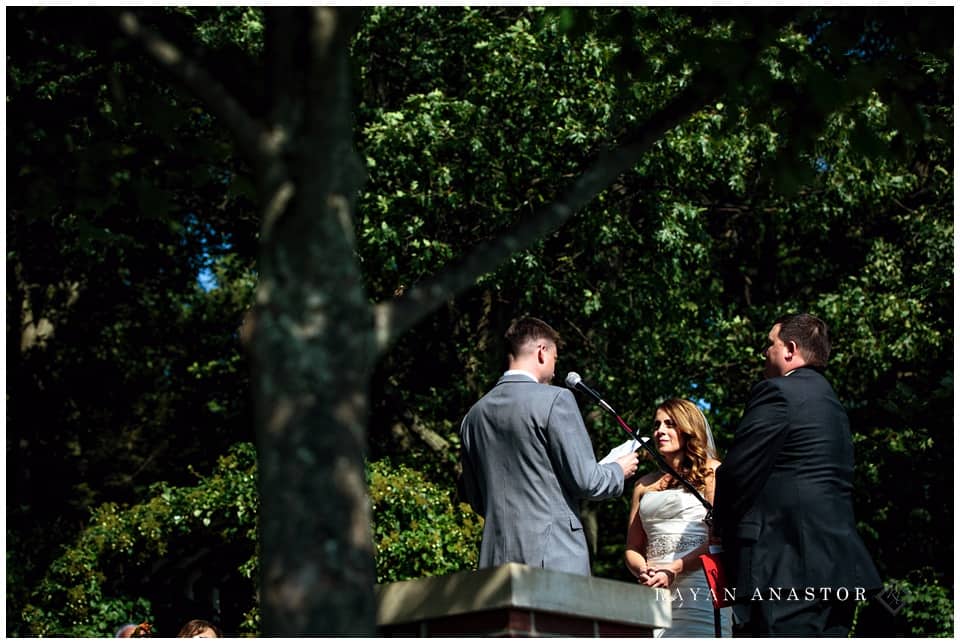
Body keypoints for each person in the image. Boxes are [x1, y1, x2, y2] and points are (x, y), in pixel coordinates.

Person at [712, 313, 882, 636]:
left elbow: (736, 474)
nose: (765, 352)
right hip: (840, 570)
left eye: (770, 344)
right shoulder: (834, 406)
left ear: (790, 349)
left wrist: (718, 528)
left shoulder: (777, 393)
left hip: (787, 567)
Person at [459, 316, 639, 576]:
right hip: (554, 557)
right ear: (542, 352)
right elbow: (587, 481)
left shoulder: (473, 417)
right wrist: (617, 470)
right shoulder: (556, 399)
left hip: (495, 562)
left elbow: (477, 500)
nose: (555, 370)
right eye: (555, 358)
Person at [625, 398, 733, 637]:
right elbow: (632, 547)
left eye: (669, 424)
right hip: (656, 592)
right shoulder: (643, 485)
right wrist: (644, 569)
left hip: (700, 588)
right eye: (656, 425)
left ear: (687, 429)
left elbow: (719, 539)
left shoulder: (711, 473)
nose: (659, 431)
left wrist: (674, 568)